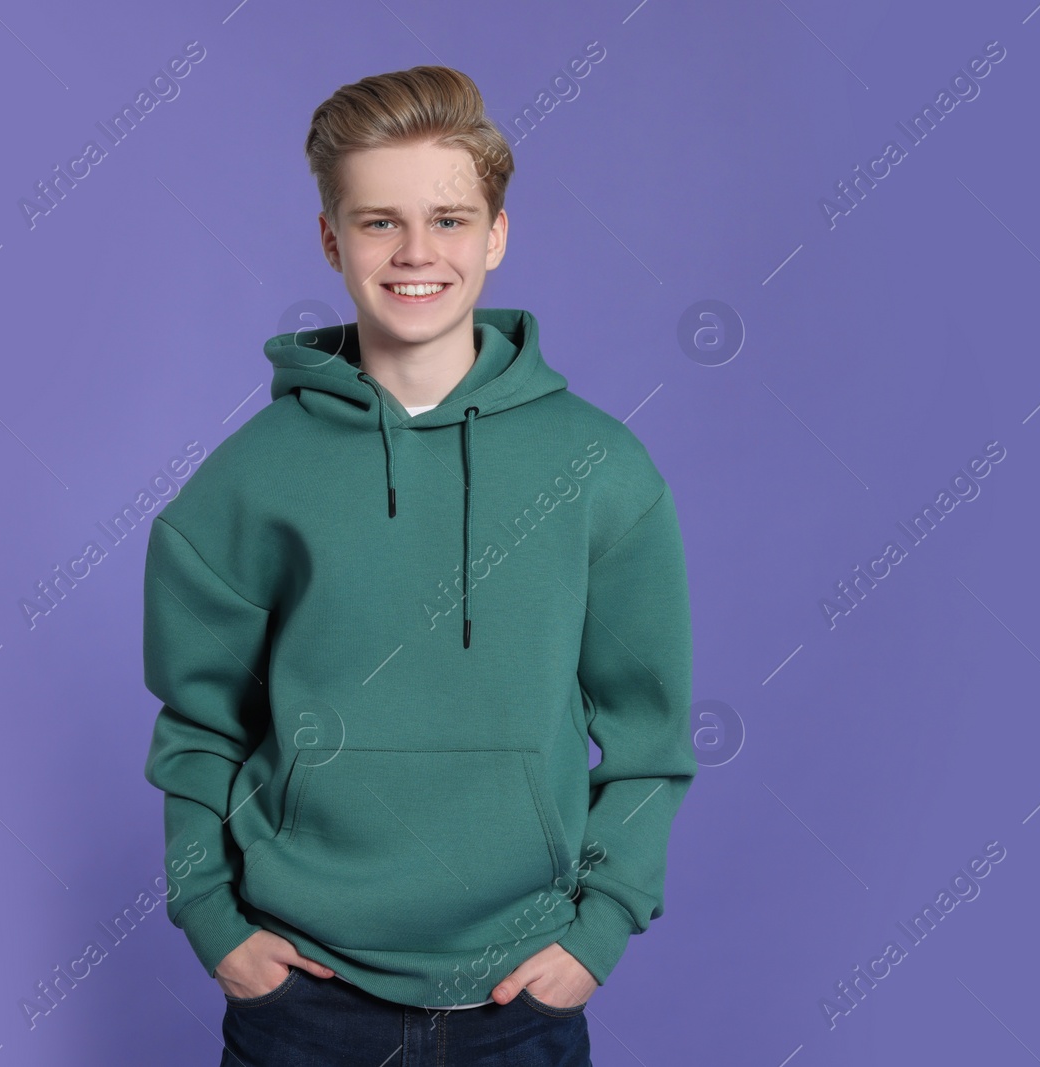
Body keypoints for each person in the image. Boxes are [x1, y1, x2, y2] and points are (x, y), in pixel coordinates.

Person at [141, 64, 696, 1066]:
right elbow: (197, 726)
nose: (414, 253)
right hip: (301, 999)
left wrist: (602, 923)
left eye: (447, 219)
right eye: (377, 221)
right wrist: (211, 919)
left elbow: (650, 735)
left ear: (495, 235)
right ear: (330, 238)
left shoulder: (599, 469)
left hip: (519, 992)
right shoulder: (249, 478)